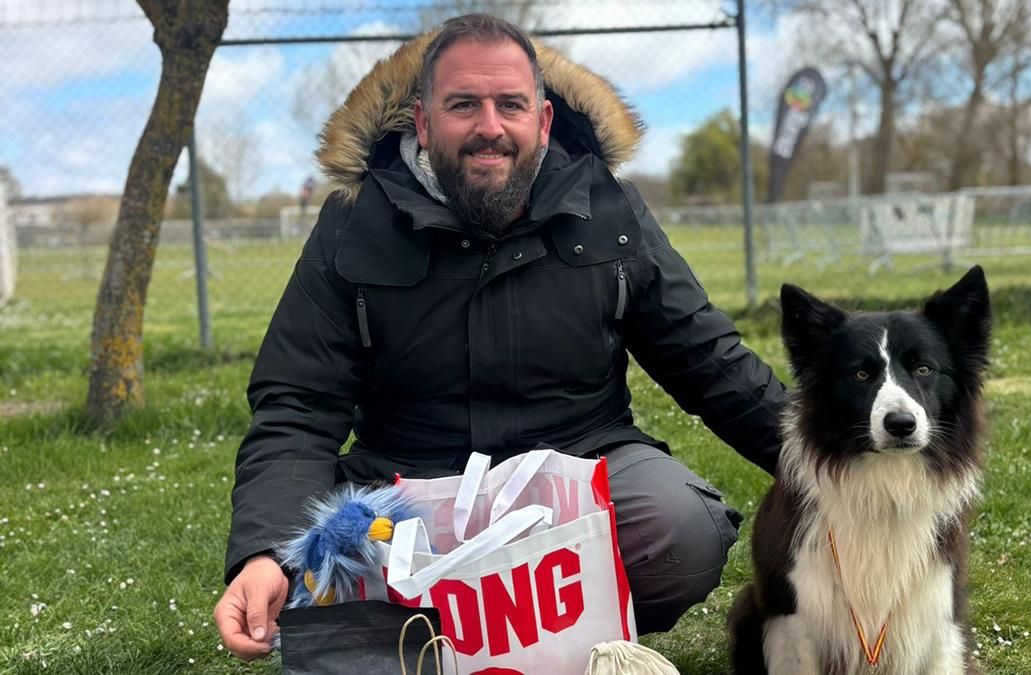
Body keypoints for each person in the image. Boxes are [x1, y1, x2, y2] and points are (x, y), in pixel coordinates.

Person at [214, 14, 786, 661]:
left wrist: (833, 461)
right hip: (408, 482)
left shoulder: (610, 209)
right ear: (424, 124)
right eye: (464, 105)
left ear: (541, 122)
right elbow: (297, 403)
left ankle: (563, 638)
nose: (490, 126)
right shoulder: (354, 222)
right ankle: (450, 637)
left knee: (681, 528)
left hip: (578, 459)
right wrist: (265, 550)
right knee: (316, 563)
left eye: (510, 105)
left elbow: (709, 360)